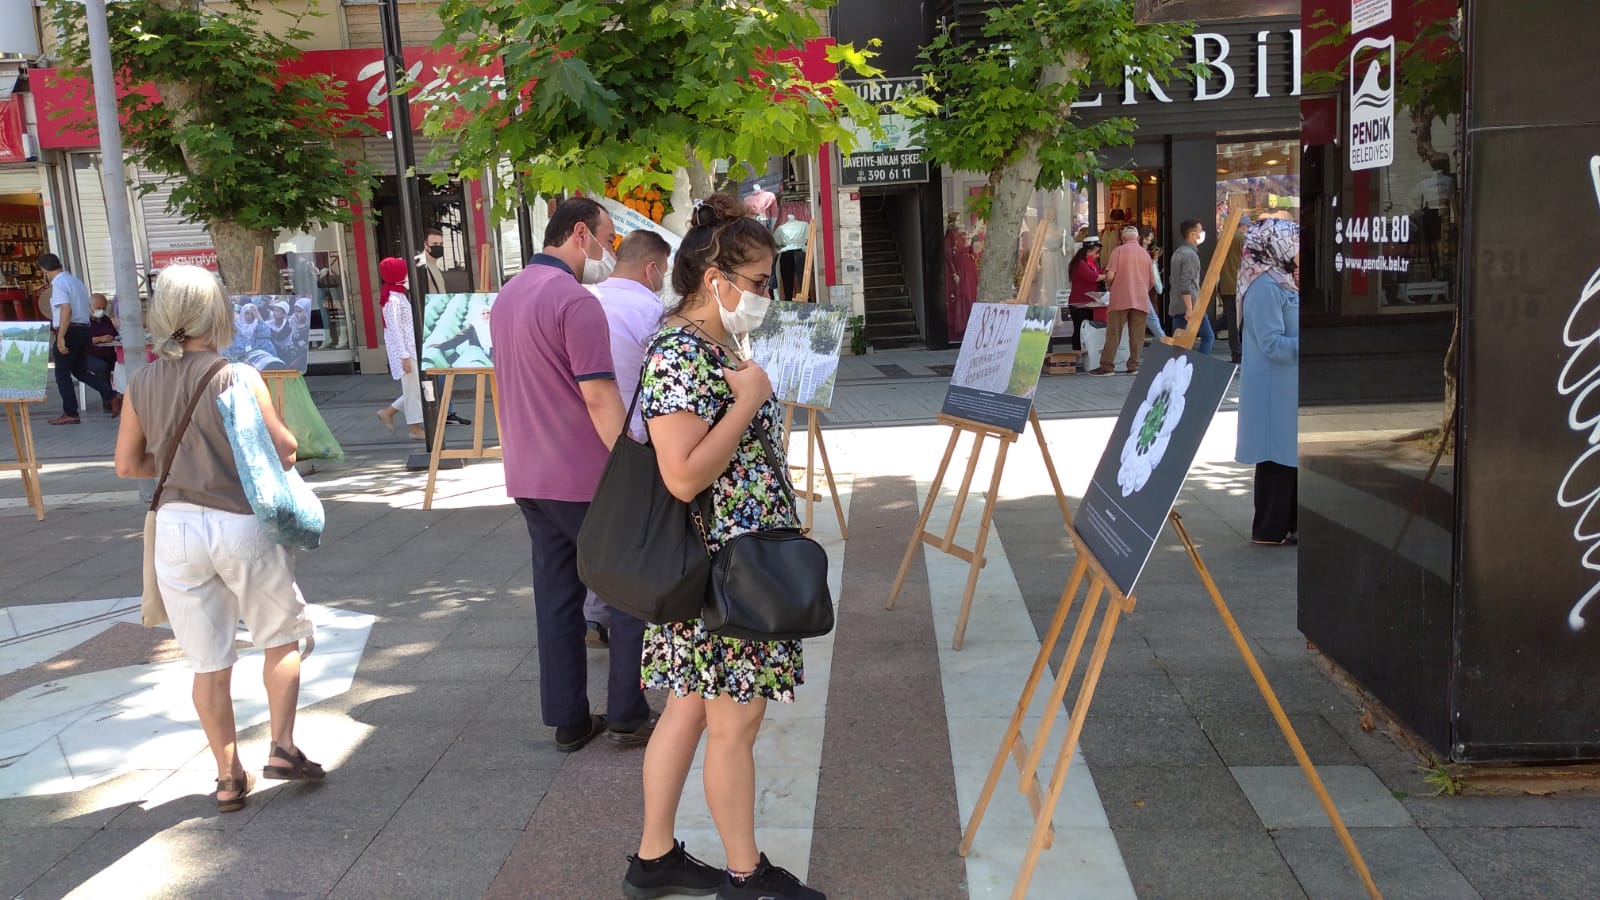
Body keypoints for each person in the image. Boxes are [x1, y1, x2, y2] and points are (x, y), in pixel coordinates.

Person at [623, 193, 822, 900]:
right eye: (761, 282)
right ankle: (745, 875)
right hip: (723, 576)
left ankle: (654, 859)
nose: (768, 295)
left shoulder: (710, 345)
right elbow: (681, 474)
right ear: (717, 280)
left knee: (688, 708)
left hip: (723, 566)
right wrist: (747, 402)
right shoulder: (680, 352)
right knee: (733, 725)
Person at [113, 263, 322, 814]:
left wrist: (180, 463)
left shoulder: (141, 382)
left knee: (207, 662)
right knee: (279, 636)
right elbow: (285, 451)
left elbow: (127, 465)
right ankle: (282, 748)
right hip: (239, 521)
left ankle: (228, 776)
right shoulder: (237, 375)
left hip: (176, 529)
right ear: (216, 313)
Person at [491, 197, 656, 753]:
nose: (608, 252)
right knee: (629, 589)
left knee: (557, 598)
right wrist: (632, 463)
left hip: (528, 471)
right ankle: (628, 712)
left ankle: (569, 720)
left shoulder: (509, 295)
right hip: (584, 475)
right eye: (607, 240)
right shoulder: (575, 300)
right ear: (580, 234)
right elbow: (600, 395)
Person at [582, 230, 672, 647]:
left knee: (603, 523)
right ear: (652, 268)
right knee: (635, 530)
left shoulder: (587, 300)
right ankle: (625, 613)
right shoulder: (651, 311)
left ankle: (594, 612)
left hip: (591, 431)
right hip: (638, 435)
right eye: (663, 270)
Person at [1234, 218, 1300, 545]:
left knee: (1288, 458)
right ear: (1275, 245)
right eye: (1294, 242)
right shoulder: (1263, 287)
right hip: (1274, 390)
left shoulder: (1281, 280)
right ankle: (1271, 530)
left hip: (1285, 388)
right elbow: (1271, 344)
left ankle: (1289, 526)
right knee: (1277, 459)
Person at [40, 253, 121, 424]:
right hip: (84, 330)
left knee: (62, 373)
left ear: (44, 270)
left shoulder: (59, 283)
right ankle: (112, 395)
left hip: (70, 330)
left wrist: (61, 337)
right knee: (80, 371)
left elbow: (66, 309)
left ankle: (71, 412)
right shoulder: (76, 282)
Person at [417, 228, 471, 427]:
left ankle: (444, 410)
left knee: (444, 368)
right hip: (431, 325)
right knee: (440, 369)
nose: (438, 247)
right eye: (435, 244)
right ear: (425, 245)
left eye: (441, 244)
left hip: (437, 324)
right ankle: (441, 411)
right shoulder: (422, 267)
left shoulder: (433, 267)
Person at [1089, 227, 1153, 376]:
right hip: (1141, 299)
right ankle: (1134, 366)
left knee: (1114, 333)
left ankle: (1107, 367)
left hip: (1120, 298)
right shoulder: (1145, 254)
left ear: (1122, 239)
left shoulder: (1118, 251)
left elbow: (1110, 275)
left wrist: (1109, 285)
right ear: (1138, 239)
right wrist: (1143, 290)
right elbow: (1151, 281)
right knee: (1137, 335)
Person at [375, 257, 425, 441]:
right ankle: (414, 428)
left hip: (410, 349)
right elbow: (394, 329)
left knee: (416, 388)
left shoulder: (398, 295)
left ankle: (389, 412)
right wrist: (403, 356)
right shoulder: (393, 300)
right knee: (414, 389)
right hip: (406, 351)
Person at [1169, 219, 1216, 355]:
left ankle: (1178, 365)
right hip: (1191, 305)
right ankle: (1198, 365)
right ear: (1193, 235)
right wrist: (1190, 308)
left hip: (1177, 304)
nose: (1202, 234)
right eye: (1200, 231)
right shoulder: (1190, 255)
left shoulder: (1178, 253)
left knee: (1179, 344)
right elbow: (1186, 283)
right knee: (1208, 337)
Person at [1066, 236, 1104, 352]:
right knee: (1080, 330)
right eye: (1096, 252)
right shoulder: (1080, 264)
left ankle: (1086, 353)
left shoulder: (1091, 263)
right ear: (1088, 251)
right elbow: (1093, 277)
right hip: (1079, 304)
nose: (1097, 256)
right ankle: (1077, 353)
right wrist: (1107, 276)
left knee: (1086, 331)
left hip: (1088, 303)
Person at [88, 293, 121, 409]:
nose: (101, 311)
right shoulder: (83, 322)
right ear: (89, 307)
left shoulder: (105, 319)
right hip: (89, 355)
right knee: (102, 367)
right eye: (98, 308)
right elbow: (81, 340)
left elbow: (115, 334)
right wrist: (100, 339)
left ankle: (126, 395)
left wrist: (115, 338)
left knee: (123, 364)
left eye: (103, 308)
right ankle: (109, 401)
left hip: (109, 354)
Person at [1218, 224, 1245, 364]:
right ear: (1244, 226)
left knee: (1231, 320)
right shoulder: (1242, 238)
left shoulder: (1223, 237)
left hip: (1226, 285)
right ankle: (1243, 352)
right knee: (1242, 321)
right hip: (1240, 285)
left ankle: (1236, 353)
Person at [1138, 226, 1167, 339]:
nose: (1149, 242)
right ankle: (1163, 339)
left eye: (1150, 240)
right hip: (1142, 289)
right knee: (1152, 318)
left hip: (1140, 289)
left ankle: (1162, 338)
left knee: (1147, 318)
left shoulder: (1143, 252)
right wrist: (1154, 262)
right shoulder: (1142, 253)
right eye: (1147, 239)